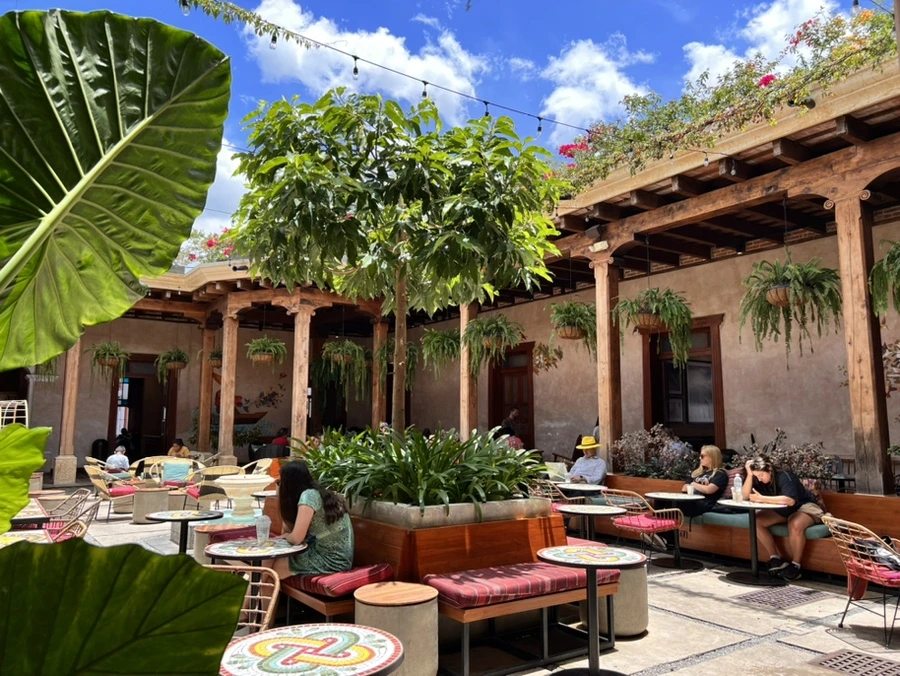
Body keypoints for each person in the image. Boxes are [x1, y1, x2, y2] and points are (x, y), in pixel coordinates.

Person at [742, 455, 826, 581]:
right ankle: (775, 558)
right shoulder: (758, 479)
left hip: (803, 507)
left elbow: (790, 500)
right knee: (756, 521)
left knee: (795, 524)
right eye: (756, 476)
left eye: (761, 475)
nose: (759, 479)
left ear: (770, 470)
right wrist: (749, 474)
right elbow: (744, 496)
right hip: (783, 510)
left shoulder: (784, 476)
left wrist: (762, 499)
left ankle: (796, 565)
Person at [266, 461, 354, 579]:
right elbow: (288, 531)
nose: (279, 486)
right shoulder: (315, 493)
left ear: (288, 483)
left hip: (332, 560)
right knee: (268, 563)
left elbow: (296, 539)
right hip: (331, 554)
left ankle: (254, 590)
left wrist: (286, 537)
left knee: (271, 569)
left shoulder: (309, 496)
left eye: (279, 482)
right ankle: (254, 589)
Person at [680, 445, 728, 517]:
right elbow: (684, 488)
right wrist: (700, 486)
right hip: (691, 500)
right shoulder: (697, 473)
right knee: (665, 502)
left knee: (674, 505)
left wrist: (694, 484)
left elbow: (709, 490)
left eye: (702, 456)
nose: (700, 458)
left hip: (704, 503)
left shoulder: (720, 473)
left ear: (712, 457)